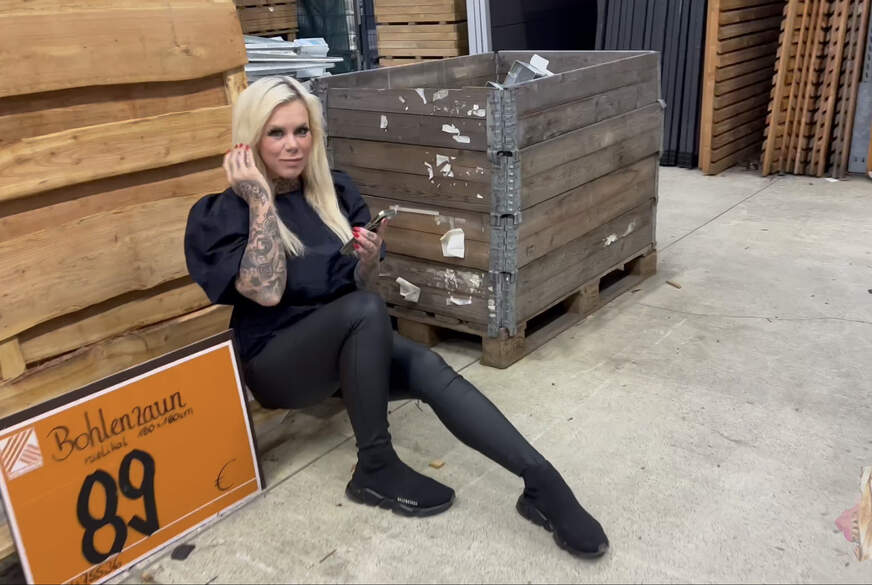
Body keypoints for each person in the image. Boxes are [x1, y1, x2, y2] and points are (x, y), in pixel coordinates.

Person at [184, 76, 609, 558]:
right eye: (276, 133)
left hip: (343, 348)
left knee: (427, 364)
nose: (293, 145)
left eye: (302, 131)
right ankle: (376, 466)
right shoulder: (220, 214)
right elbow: (265, 291)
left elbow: (363, 291)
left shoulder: (334, 193)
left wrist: (368, 262)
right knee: (365, 311)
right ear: (250, 139)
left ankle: (542, 483)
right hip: (277, 364)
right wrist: (260, 199)